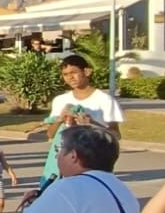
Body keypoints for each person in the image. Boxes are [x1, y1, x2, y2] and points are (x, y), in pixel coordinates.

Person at [40, 55, 124, 190]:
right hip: (64, 163)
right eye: (65, 74)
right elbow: (50, 134)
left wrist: (93, 124)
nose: (70, 78)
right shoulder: (60, 100)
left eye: (73, 72)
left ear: (86, 72)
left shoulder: (105, 100)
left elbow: (116, 135)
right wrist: (59, 119)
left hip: (93, 164)